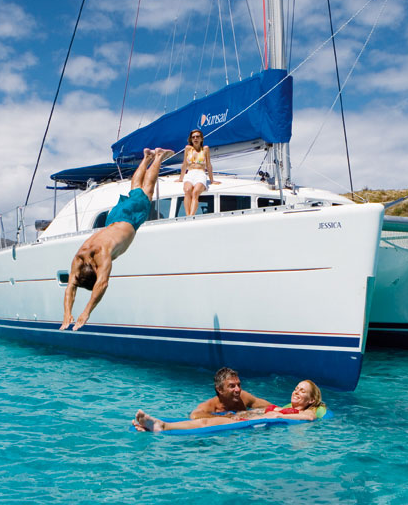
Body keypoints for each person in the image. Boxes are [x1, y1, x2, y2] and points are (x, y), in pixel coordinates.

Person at [59, 147, 173, 331]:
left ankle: (157, 156)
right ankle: (145, 158)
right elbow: (71, 286)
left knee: (147, 191)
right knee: (135, 190)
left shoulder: (103, 255)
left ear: (95, 270)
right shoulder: (79, 257)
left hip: (129, 219)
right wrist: (67, 313)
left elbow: (102, 284)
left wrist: (86, 312)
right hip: (114, 219)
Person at [133, 380, 324, 433]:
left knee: (206, 423)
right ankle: (158, 425)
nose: (296, 392)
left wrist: (279, 417)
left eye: (302, 391)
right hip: (240, 418)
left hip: (244, 422)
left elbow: (310, 418)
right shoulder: (284, 407)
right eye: (296, 388)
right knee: (205, 419)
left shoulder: (305, 411)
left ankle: (161, 426)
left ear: (310, 400)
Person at [190, 367, 273, 419]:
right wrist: (223, 417)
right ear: (220, 390)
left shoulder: (243, 397)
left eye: (239, 385)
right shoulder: (210, 406)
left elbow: (269, 406)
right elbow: (194, 415)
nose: (238, 389)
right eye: (232, 386)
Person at [176, 129, 219, 216]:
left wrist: (212, 180)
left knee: (195, 192)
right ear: (191, 139)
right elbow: (184, 164)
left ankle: (191, 216)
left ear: (201, 139)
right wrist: (181, 178)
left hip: (200, 173)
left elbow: (208, 165)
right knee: (187, 190)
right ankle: (188, 216)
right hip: (190, 173)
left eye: (197, 137)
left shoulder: (205, 149)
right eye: (193, 137)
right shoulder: (188, 148)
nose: (195, 138)